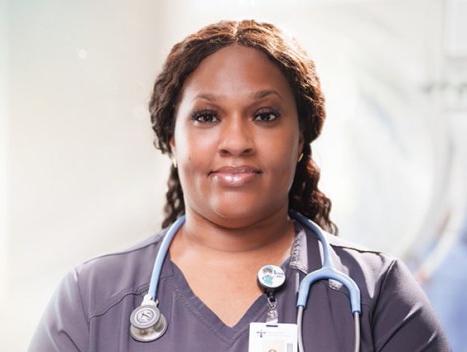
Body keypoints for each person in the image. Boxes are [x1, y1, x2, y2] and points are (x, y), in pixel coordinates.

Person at [29, 19, 450, 351]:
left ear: (300, 138)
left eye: (264, 115)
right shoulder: (92, 299)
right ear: (173, 140)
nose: (235, 143)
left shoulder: (377, 294)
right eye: (207, 116)